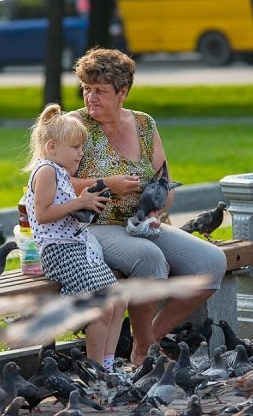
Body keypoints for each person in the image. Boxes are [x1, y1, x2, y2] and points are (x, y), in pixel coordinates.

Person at [68, 48, 227, 366]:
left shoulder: (143, 124)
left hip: (141, 224)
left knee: (212, 263)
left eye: (100, 91)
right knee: (149, 258)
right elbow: (47, 184)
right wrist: (107, 184)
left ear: (122, 92)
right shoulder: (73, 126)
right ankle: (144, 350)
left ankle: (147, 342)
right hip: (93, 227)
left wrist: (160, 203)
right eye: (86, 89)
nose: (91, 98)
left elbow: (165, 181)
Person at [23, 103, 127, 371]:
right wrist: (80, 203)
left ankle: (108, 364)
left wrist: (87, 206)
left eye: (81, 147)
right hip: (59, 251)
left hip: (79, 248)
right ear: (52, 147)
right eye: (75, 147)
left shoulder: (61, 172)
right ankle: (96, 371)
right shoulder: (46, 171)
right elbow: (43, 214)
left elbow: (67, 210)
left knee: (119, 299)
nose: (80, 153)